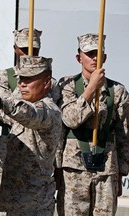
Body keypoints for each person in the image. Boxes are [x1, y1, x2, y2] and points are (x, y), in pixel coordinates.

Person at [56, 33, 129, 215]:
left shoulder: (117, 91)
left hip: (106, 166)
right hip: (74, 168)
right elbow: (70, 120)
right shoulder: (68, 85)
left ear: (105, 57)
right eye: (89, 53)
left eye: (98, 53)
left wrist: (122, 171)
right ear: (78, 57)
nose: (95, 58)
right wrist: (90, 90)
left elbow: (123, 133)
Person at [0, 55, 61, 215]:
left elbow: (29, 113)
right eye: (21, 78)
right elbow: (9, 113)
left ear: (46, 83)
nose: (22, 83)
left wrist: (2, 102)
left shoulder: (49, 111)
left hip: (33, 205)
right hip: (9, 200)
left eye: (29, 79)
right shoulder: (19, 108)